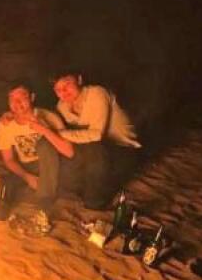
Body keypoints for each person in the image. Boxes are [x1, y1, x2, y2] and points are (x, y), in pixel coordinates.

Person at [52, 72, 141, 208]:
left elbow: (96, 135)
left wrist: (59, 133)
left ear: (79, 80)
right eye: (58, 89)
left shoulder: (97, 93)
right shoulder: (62, 106)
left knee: (93, 148)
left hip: (123, 149)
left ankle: (95, 201)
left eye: (67, 84)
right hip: (98, 152)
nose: (63, 92)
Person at [0, 84, 74, 225]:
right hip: (29, 166)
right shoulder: (5, 124)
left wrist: (44, 128)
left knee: (44, 145)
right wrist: (27, 176)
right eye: (12, 99)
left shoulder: (48, 117)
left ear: (32, 97)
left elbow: (69, 151)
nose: (17, 103)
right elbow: (9, 159)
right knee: (6, 184)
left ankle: (44, 205)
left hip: (54, 165)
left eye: (22, 97)